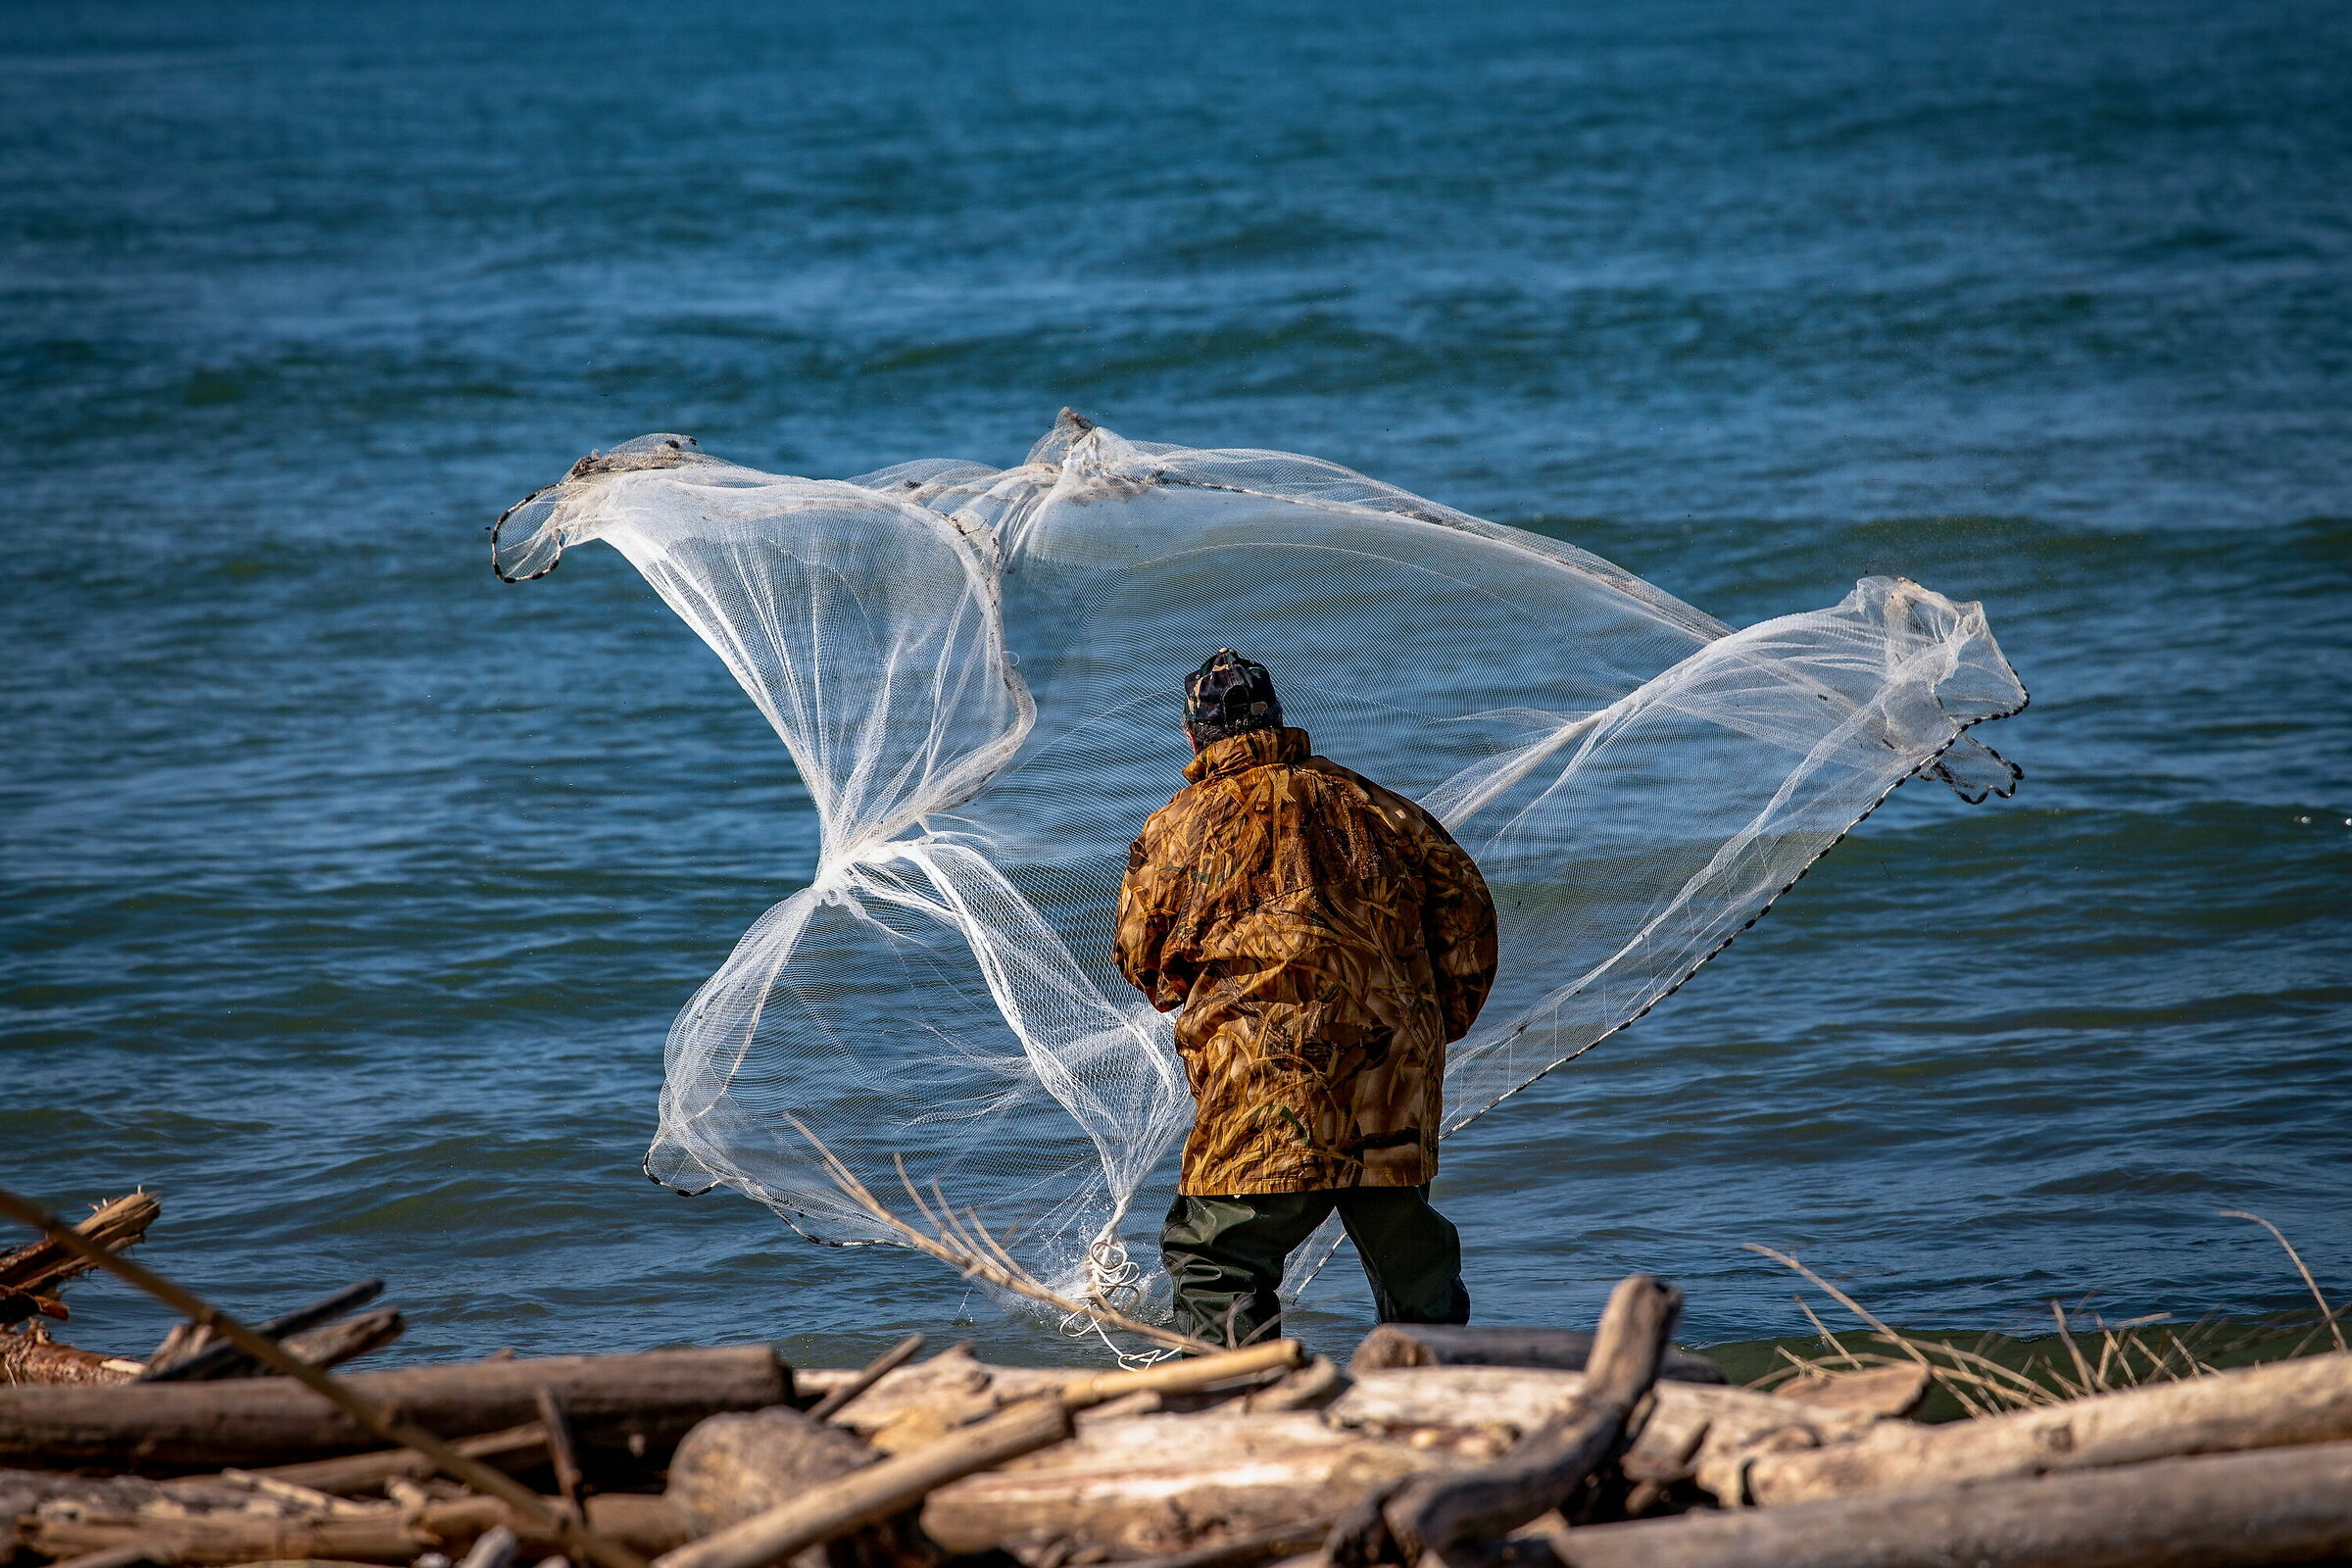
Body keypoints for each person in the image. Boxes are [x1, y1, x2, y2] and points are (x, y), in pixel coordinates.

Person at [1114, 650, 1499, 1347]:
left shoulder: (1176, 827)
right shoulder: (1379, 807)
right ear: (1279, 720)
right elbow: (1467, 911)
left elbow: (1143, 958)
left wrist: (1177, 990)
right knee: (1410, 1260)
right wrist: (1439, 1022)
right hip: (1391, 1078)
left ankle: (1242, 1410)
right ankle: (1447, 1406)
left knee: (1214, 1259)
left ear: (1193, 736)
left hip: (1259, 1082)